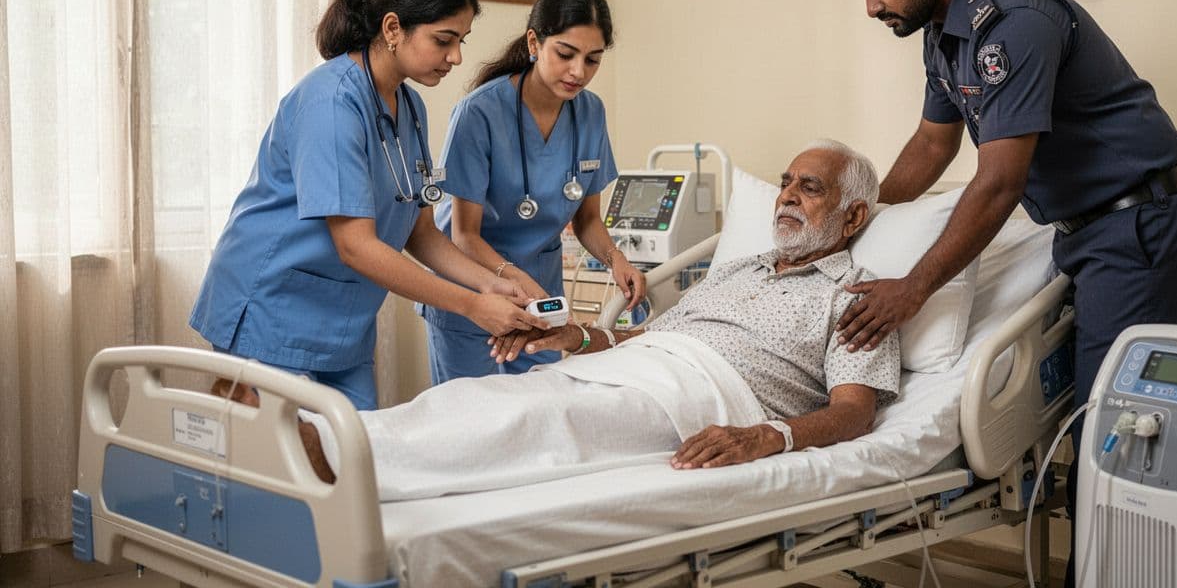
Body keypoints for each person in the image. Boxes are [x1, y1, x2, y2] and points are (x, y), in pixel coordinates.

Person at [827, 0, 1177, 579]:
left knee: (1113, 433)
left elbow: (999, 182)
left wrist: (910, 290)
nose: (871, 7)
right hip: (1086, 229)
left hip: (1140, 223)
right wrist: (859, 220)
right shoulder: (943, 32)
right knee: (1100, 429)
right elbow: (930, 144)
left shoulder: (1015, 23)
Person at [295, 141, 900, 500]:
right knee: (483, 397)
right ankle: (337, 442)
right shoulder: (740, 268)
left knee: (538, 419)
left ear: (851, 219)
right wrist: (576, 336)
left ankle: (341, 455)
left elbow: (854, 411)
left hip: (704, 394)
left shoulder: (856, 299)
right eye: (786, 182)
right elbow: (649, 334)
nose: (786, 195)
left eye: (809, 187)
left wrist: (766, 436)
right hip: (639, 364)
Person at [190, 0, 548, 410]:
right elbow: (355, 245)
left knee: (352, 464)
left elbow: (419, 232)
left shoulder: (410, 108)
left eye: (461, 39)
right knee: (278, 473)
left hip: (342, 321)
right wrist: (469, 306)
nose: (456, 57)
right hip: (271, 309)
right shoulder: (331, 105)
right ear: (393, 28)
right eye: (444, 40)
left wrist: (488, 284)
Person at [421, 0, 646, 382]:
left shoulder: (590, 112)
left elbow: (587, 220)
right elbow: (464, 236)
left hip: (540, 302)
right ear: (534, 42)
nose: (579, 72)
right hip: (476, 293)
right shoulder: (479, 115)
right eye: (565, 54)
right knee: (469, 423)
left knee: (537, 413)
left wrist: (617, 260)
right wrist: (511, 275)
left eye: (593, 60)